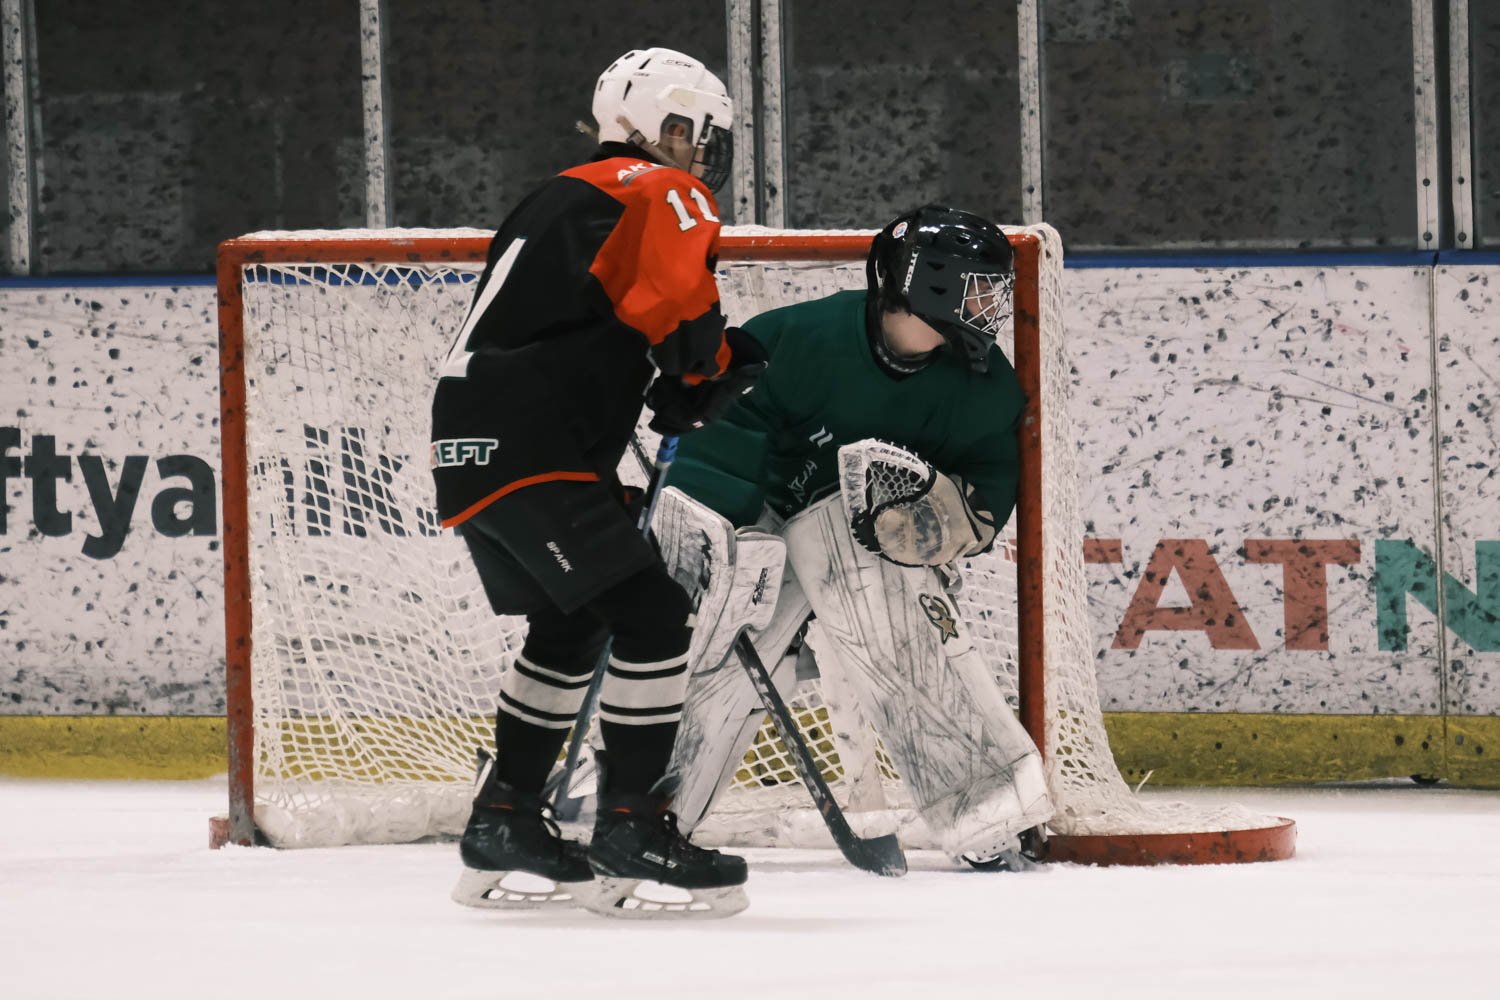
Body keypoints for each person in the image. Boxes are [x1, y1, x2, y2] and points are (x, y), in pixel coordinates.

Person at [430, 46, 766, 919]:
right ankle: (631, 825)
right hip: (532, 443)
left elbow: (598, 307)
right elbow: (683, 321)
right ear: (657, 122)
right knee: (652, 615)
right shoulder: (655, 189)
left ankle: (505, 818)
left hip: (469, 443)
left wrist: (679, 373)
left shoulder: (560, 192)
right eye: (691, 131)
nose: (700, 155)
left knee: (572, 620)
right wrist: (713, 369)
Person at [659, 204, 1053, 866]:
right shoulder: (797, 338)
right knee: (718, 648)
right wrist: (723, 545)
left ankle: (985, 807)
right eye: (978, 287)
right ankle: (640, 812)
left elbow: (986, 489)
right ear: (930, 284)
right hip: (763, 522)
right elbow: (721, 441)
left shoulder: (983, 384)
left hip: (869, 549)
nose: (991, 305)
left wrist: (930, 523)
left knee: (882, 600)